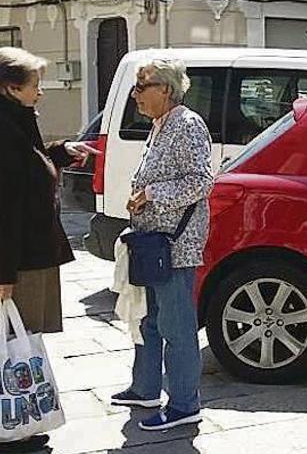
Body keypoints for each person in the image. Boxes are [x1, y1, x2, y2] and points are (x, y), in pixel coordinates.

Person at [0, 47, 99, 453]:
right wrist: (3, 274)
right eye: (35, 84)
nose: (41, 92)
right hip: (3, 258)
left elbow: (24, 164)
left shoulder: (5, 116)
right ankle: (1, 435)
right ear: (10, 87)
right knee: (1, 345)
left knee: (18, 343)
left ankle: (19, 422)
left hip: (19, 252)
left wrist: (59, 152)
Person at [109, 59, 215, 431]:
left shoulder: (186, 125)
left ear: (166, 90)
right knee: (147, 319)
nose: (135, 94)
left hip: (175, 245)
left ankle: (185, 404)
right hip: (152, 242)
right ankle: (146, 389)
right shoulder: (160, 125)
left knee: (176, 326)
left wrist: (151, 194)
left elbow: (201, 181)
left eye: (142, 86)